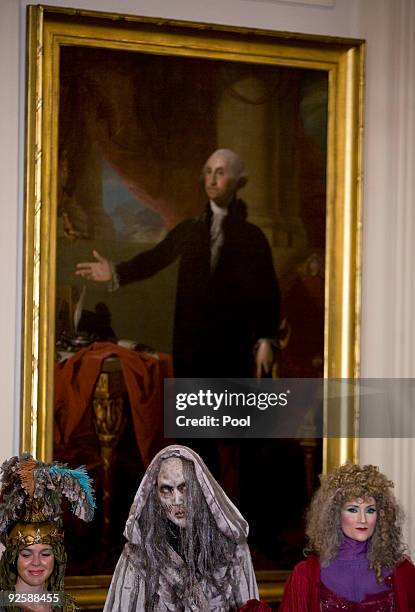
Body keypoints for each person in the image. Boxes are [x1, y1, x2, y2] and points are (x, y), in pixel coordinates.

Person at [76, 149, 280, 378]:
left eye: (220, 173)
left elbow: (267, 292)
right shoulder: (190, 230)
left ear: (237, 181)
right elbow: (154, 259)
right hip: (192, 346)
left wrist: (265, 340)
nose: (212, 180)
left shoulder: (252, 237)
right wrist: (115, 272)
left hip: (232, 346)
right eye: (209, 172)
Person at [103, 444, 259, 611]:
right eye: (166, 490)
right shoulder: (137, 558)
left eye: (184, 488)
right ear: (155, 495)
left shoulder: (232, 553)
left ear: (201, 489)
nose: (177, 500)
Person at [280, 462, 415, 611]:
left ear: (381, 515)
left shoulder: (403, 572)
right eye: (353, 509)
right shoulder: (305, 576)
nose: (363, 519)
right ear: (334, 514)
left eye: (370, 510)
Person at [0, 454, 96, 612]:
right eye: (26, 554)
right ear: (13, 557)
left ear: (57, 556)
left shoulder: (66, 606)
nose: (36, 562)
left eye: (45, 554)